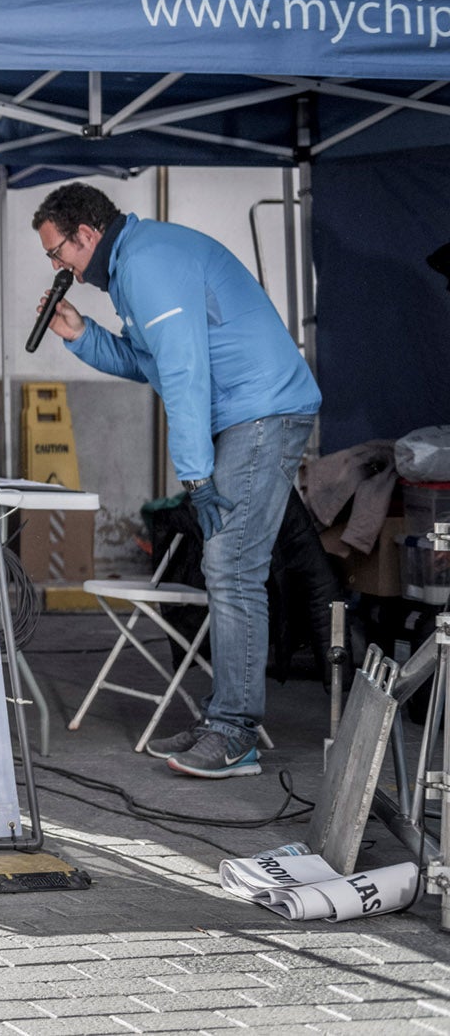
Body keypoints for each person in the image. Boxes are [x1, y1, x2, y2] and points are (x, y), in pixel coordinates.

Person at [34, 182, 320, 779]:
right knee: (229, 564)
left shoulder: (147, 262)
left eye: (57, 251)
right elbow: (152, 364)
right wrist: (81, 335)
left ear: (86, 234)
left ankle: (235, 732)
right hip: (246, 415)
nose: (57, 265)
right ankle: (225, 716)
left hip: (260, 412)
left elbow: (186, 373)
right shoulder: (134, 265)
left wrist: (195, 478)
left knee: (233, 565)